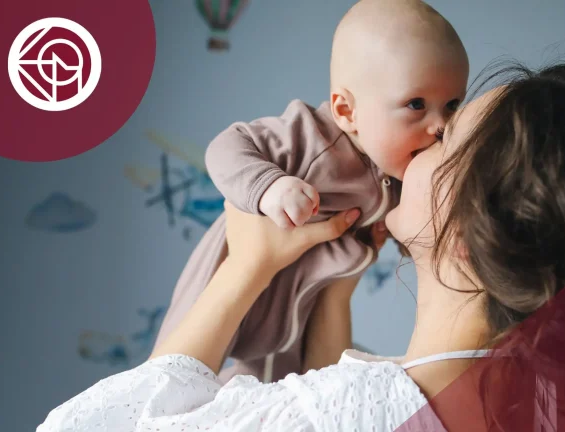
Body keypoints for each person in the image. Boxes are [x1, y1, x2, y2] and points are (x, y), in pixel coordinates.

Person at [37, 63, 565, 431]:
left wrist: (243, 270)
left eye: (446, 138)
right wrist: (334, 290)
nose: (418, 141)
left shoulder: (348, 413)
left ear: (464, 235)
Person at [152, 0, 469, 384]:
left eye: (452, 105)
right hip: (237, 268)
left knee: (277, 390)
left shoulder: (401, 167)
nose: (440, 125)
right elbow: (227, 145)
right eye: (416, 104)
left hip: (301, 301)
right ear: (347, 111)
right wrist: (269, 186)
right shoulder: (310, 137)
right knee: (173, 376)